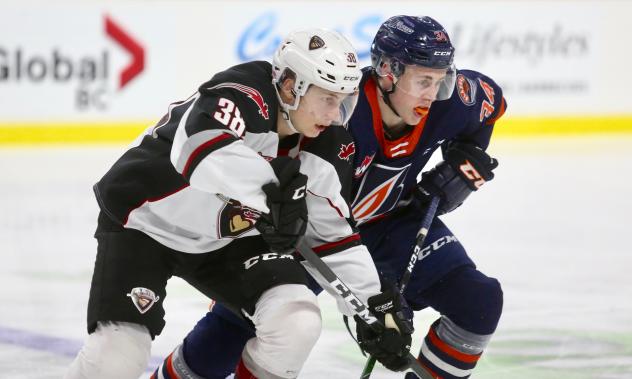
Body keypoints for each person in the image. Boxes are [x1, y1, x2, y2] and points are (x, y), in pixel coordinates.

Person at [152, 15, 507, 379]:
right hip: (311, 233)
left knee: (478, 302)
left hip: (391, 223)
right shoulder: (335, 110)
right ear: (388, 71)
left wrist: (465, 167)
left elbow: (490, 105)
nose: (432, 95)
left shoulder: (451, 102)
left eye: (441, 80)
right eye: (423, 81)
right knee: (228, 336)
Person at [64, 28, 415, 379]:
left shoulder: (325, 143)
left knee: (297, 320)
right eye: (327, 98)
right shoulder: (245, 91)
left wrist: (374, 308)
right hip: (144, 223)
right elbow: (197, 151)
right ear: (292, 86)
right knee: (117, 357)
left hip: (229, 239)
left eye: (343, 100)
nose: (335, 113)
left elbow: (333, 235)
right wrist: (273, 187)